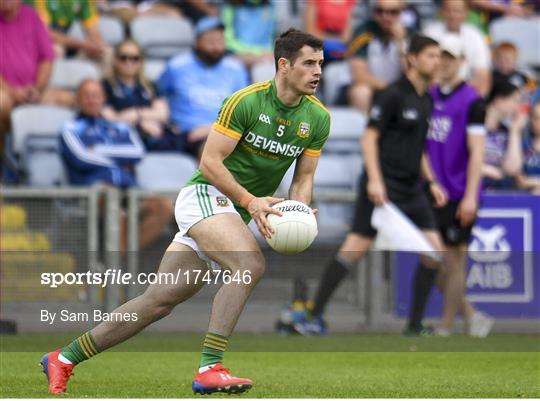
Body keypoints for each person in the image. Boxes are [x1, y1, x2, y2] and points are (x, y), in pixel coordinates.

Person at [41, 29, 330, 395]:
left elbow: (303, 179)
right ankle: (211, 367)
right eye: (309, 63)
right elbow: (210, 163)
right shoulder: (246, 102)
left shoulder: (318, 118)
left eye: (320, 63)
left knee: (157, 302)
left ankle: (63, 358)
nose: (318, 71)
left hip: (232, 211)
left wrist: (299, 210)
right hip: (205, 196)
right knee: (249, 265)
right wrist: (251, 201)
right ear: (284, 65)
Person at [299, 35, 446, 336]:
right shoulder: (392, 95)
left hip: (410, 188)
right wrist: (376, 181)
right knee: (354, 249)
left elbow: (419, 148)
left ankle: (414, 326)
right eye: (431, 56)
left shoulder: (427, 99)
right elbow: (369, 138)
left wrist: (430, 181)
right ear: (413, 59)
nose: (437, 62)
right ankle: (313, 316)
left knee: (433, 254)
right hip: (383, 186)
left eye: (438, 56)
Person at [424, 34, 494, 336]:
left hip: (458, 191)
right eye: (440, 56)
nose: (443, 63)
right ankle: (472, 314)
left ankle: (446, 326)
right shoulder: (429, 94)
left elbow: (477, 151)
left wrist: (470, 197)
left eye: (450, 58)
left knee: (453, 261)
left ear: (462, 62)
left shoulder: (473, 101)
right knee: (432, 258)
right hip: (432, 189)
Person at [59, 79, 174, 252]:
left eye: (96, 95)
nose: (91, 100)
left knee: (163, 207)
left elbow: (137, 153)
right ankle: (122, 267)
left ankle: (123, 258)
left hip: (129, 189)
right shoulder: (70, 128)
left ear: (104, 99)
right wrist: (120, 156)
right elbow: (80, 158)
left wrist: (96, 150)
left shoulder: (120, 127)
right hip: (93, 191)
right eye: (86, 96)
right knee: (114, 205)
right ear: (77, 99)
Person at [157, 16, 249, 158]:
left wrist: (215, 129)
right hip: (189, 135)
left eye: (220, 40)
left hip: (227, 133)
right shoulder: (177, 66)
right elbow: (157, 96)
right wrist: (169, 125)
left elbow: (245, 109)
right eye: (211, 41)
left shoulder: (236, 69)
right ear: (196, 42)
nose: (217, 46)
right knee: (213, 150)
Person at [0, 0, 55, 161]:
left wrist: (37, 89)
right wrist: (12, 92)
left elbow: (47, 59)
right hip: (5, 92)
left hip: (33, 90)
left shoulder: (32, 17)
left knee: (70, 100)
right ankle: (5, 162)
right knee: (1, 103)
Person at [102, 39, 177, 152]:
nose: (129, 62)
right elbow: (110, 118)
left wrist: (135, 114)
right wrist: (140, 123)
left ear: (141, 61)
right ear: (115, 60)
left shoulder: (151, 85)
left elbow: (162, 114)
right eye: (123, 57)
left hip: (154, 136)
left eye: (134, 58)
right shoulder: (104, 86)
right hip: (122, 139)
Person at [340, 0, 409, 114]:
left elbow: (412, 74)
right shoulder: (364, 31)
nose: (385, 16)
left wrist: (401, 43)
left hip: (402, 89)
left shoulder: (411, 35)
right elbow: (359, 75)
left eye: (392, 12)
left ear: (402, 12)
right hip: (373, 88)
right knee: (360, 92)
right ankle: (363, 130)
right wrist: (390, 89)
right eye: (379, 11)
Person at [424, 0, 491, 97]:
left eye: (457, 11)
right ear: (442, 11)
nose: (452, 15)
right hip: (432, 95)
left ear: (466, 13)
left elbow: (483, 77)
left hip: (465, 96)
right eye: (448, 10)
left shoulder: (475, 35)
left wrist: (461, 99)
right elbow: (422, 72)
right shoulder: (429, 32)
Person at [28, 0, 108, 61]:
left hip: (66, 41)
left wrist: (97, 43)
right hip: (33, 43)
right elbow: (44, 34)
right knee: (56, 50)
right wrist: (84, 44)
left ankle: (96, 82)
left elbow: (93, 29)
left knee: (105, 51)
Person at [482, 81, 526, 189]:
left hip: (498, 188)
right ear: (498, 99)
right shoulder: (474, 126)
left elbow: (512, 169)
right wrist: (483, 169)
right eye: (515, 101)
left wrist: (514, 131)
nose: (517, 107)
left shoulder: (506, 131)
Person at [221, 0, 276, 68]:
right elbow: (227, 39)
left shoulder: (270, 5)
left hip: (265, 54)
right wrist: (254, 53)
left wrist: (267, 52)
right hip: (237, 54)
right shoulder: (230, 7)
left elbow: (270, 35)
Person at [516, 102, 540, 194]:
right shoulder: (522, 145)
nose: (538, 122)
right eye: (535, 118)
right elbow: (520, 181)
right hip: (525, 199)